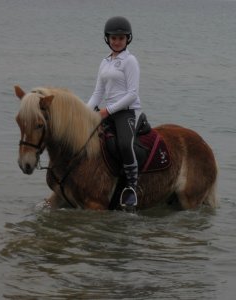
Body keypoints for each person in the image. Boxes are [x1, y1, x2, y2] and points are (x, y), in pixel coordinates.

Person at [87, 16, 141, 208]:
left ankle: (132, 187)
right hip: (106, 112)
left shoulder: (130, 61)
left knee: (125, 145)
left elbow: (132, 94)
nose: (117, 41)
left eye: (121, 38)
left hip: (125, 112)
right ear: (107, 39)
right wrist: (84, 113)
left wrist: (106, 111)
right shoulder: (105, 62)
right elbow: (97, 92)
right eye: (113, 38)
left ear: (128, 39)